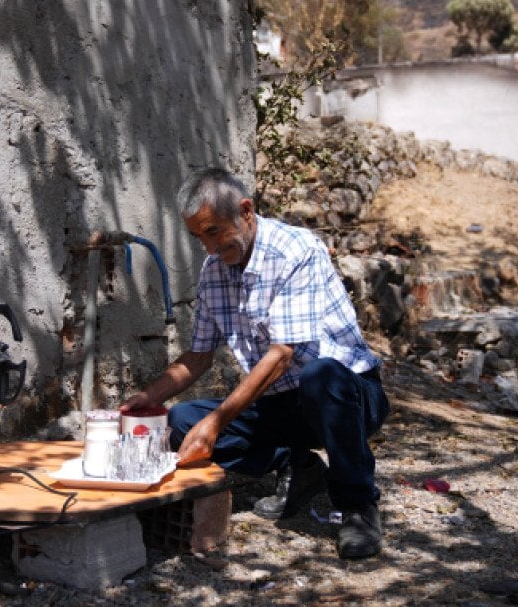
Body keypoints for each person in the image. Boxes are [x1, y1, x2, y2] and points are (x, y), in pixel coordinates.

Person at [121, 167, 389, 559]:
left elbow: (283, 355)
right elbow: (198, 357)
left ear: (246, 211)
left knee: (321, 375)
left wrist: (217, 422)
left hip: (348, 397)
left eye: (213, 231)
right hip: (284, 404)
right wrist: (147, 397)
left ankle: (358, 506)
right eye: (198, 237)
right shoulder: (214, 271)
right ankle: (298, 464)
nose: (208, 248)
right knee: (179, 423)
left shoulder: (296, 251)